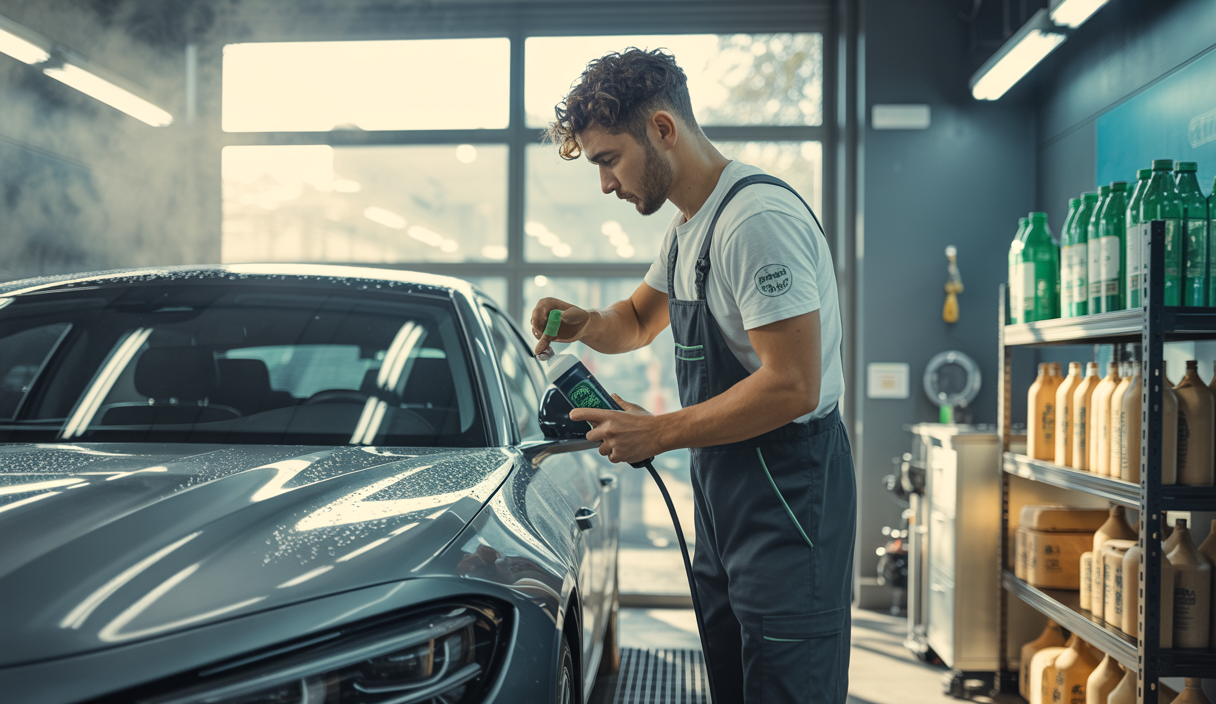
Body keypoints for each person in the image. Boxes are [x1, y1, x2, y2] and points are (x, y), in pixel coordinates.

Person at [530, 48, 855, 704]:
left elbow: (795, 384)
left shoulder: (754, 222)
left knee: (788, 685)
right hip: (726, 502)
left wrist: (657, 432)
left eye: (608, 160)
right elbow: (635, 321)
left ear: (662, 130)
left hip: (788, 500)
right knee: (736, 681)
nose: (605, 183)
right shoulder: (686, 231)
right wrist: (583, 322)